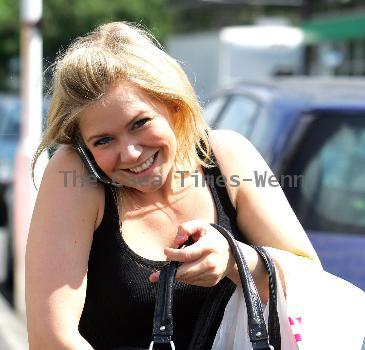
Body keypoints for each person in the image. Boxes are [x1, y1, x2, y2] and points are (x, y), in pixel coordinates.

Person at [25, 21, 320, 350]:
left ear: (173, 105)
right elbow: (49, 338)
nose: (131, 152)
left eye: (140, 123)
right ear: (84, 146)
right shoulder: (74, 175)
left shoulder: (227, 158)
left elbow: (311, 284)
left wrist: (236, 262)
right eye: (104, 140)